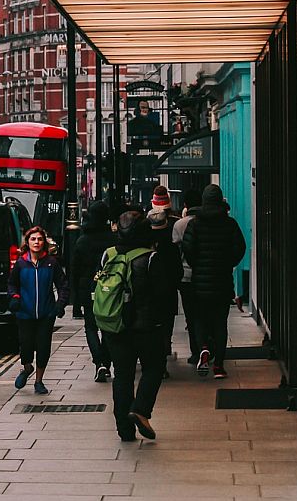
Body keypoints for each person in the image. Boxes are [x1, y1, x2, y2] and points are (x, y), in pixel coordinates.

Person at [101, 211, 173, 441]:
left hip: (115, 325)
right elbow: (163, 294)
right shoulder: (150, 258)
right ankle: (140, 409)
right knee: (154, 367)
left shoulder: (108, 255)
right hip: (146, 327)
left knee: (122, 375)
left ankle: (124, 429)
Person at [182, 184, 246, 379]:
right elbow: (239, 248)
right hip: (222, 281)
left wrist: (197, 265)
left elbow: (188, 249)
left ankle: (203, 348)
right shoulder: (230, 224)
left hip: (199, 283)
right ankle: (218, 365)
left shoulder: (194, 224)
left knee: (200, 319)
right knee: (220, 322)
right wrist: (227, 263)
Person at [8, 226, 69, 395]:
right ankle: (27, 368)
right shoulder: (21, 264)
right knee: (26, 346)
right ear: (27, 242)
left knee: (43, 347)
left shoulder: (51, 263)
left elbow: (63, 285)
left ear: (44, 242)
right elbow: (12, 284)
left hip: (46, 313)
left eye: (40, 239)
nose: (37, 242)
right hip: (25, 313)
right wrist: (14, 298)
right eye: (33, 239)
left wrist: (60, 304)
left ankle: (39, 381)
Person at [72, 200, 116, 382]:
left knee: (90, 327)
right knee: (107, 326)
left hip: (86, 289)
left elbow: (74, 271)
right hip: (108, 288)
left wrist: (75, 303)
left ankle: (99, 362)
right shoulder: (113, 239)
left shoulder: (82, 240)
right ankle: (105, 361)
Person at [146, 208, 184, 370]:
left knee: (151, 325)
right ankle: (165, 347)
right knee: (166, 323)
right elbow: (178, 270)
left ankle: (155, 358)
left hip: (149, 293)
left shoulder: (145, 244)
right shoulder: (171, 245)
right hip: (168, 291)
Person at [172, 189, 203, 364]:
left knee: (191, 316)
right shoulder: (208, 222)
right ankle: (209, 346)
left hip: (186, 276)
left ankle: (196, 350)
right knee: (208, 313)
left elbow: (176, 252)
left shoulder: (179, 225)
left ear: (185, 205)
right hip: (208, 274)